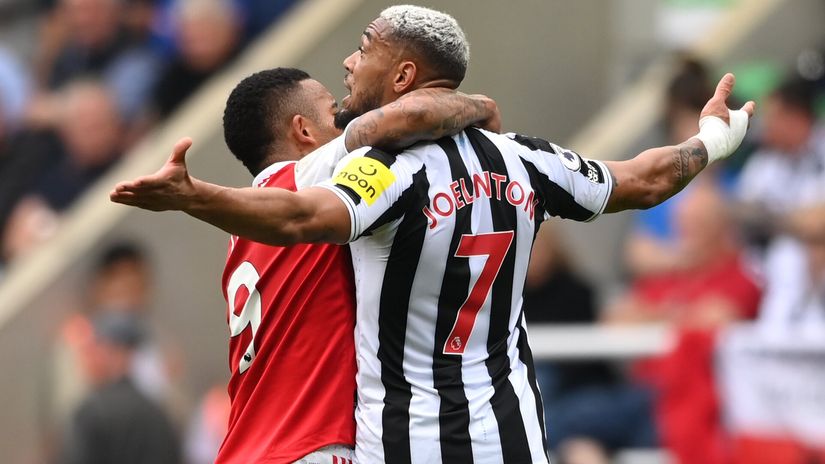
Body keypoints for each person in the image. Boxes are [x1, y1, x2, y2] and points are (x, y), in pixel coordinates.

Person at [111, 5, 754, 463]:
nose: (348, 61)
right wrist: (710, 141)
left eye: (363, 48)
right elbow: (642, 181)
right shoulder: (526, 159)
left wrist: (192, 198)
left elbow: (307, 219)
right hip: (513, 433)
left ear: (401, 77)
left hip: (400, 439)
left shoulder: (379, 171)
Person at [189, 66, 499, 464]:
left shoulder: (246, 227)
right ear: (304, 131)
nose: (346, 119)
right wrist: (479, 107)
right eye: (334, 111)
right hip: (309, 448)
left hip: (246, 450)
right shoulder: (309, 178)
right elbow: (413, 117)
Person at [58, 312, 180, 464]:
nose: (85, 361)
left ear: (116, 353)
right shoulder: (158, 414)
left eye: (93, 349)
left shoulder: (91, 412)